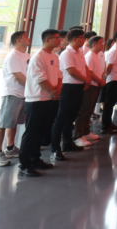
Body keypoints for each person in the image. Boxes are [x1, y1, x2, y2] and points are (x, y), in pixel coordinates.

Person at [17, 29, 61, 177]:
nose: (60, 40)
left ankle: (35, 159)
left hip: (50, 99)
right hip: (37, 99)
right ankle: (24, 164)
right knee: (32, 132)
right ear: (47, 40)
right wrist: (53, 92)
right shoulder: (38, 57)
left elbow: (59, 75)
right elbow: (40, 79)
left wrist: (57, 91)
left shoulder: (54, 56)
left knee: (42, 131)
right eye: (56, 38)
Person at [0, 31, 31, 167]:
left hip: (23, 94)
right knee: (3, 124)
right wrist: (32, 88)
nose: (29, 39)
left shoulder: (26, 55)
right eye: (26, 37)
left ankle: (10, 148)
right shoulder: (13, 55)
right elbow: (18, 76)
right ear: (19, 40)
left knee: (12, 123)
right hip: (12, 94)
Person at [50, 29, 90, 162]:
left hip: (79, 86)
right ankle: (55, 149)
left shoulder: (80, 52)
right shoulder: (67, 53)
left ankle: (68, 143)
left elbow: (85, 67)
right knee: (61, 118)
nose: (84, 40)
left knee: (71, 117)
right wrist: (86, 80)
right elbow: (71, 71)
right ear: (74, 39)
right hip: (68, 87)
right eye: (82, 37)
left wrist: (86, 80)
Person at [74, 35, 105, 145]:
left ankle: (86, 131)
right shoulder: (90, 56)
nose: (103, 45)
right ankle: (78, 135)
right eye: (101, 43)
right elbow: (90, 73)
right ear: (94, 45)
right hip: (90, 86)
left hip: (96, 86)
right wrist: (100, 80)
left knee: (89, 110)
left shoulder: (96, 55)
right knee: (84, 111)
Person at [101, 32, 117, 134]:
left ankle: (109, 122)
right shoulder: (114, 50)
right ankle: (105, 126)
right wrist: (105, 77)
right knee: (108, 104)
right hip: (113, 80)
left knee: (111, 103)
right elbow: (109, 65)